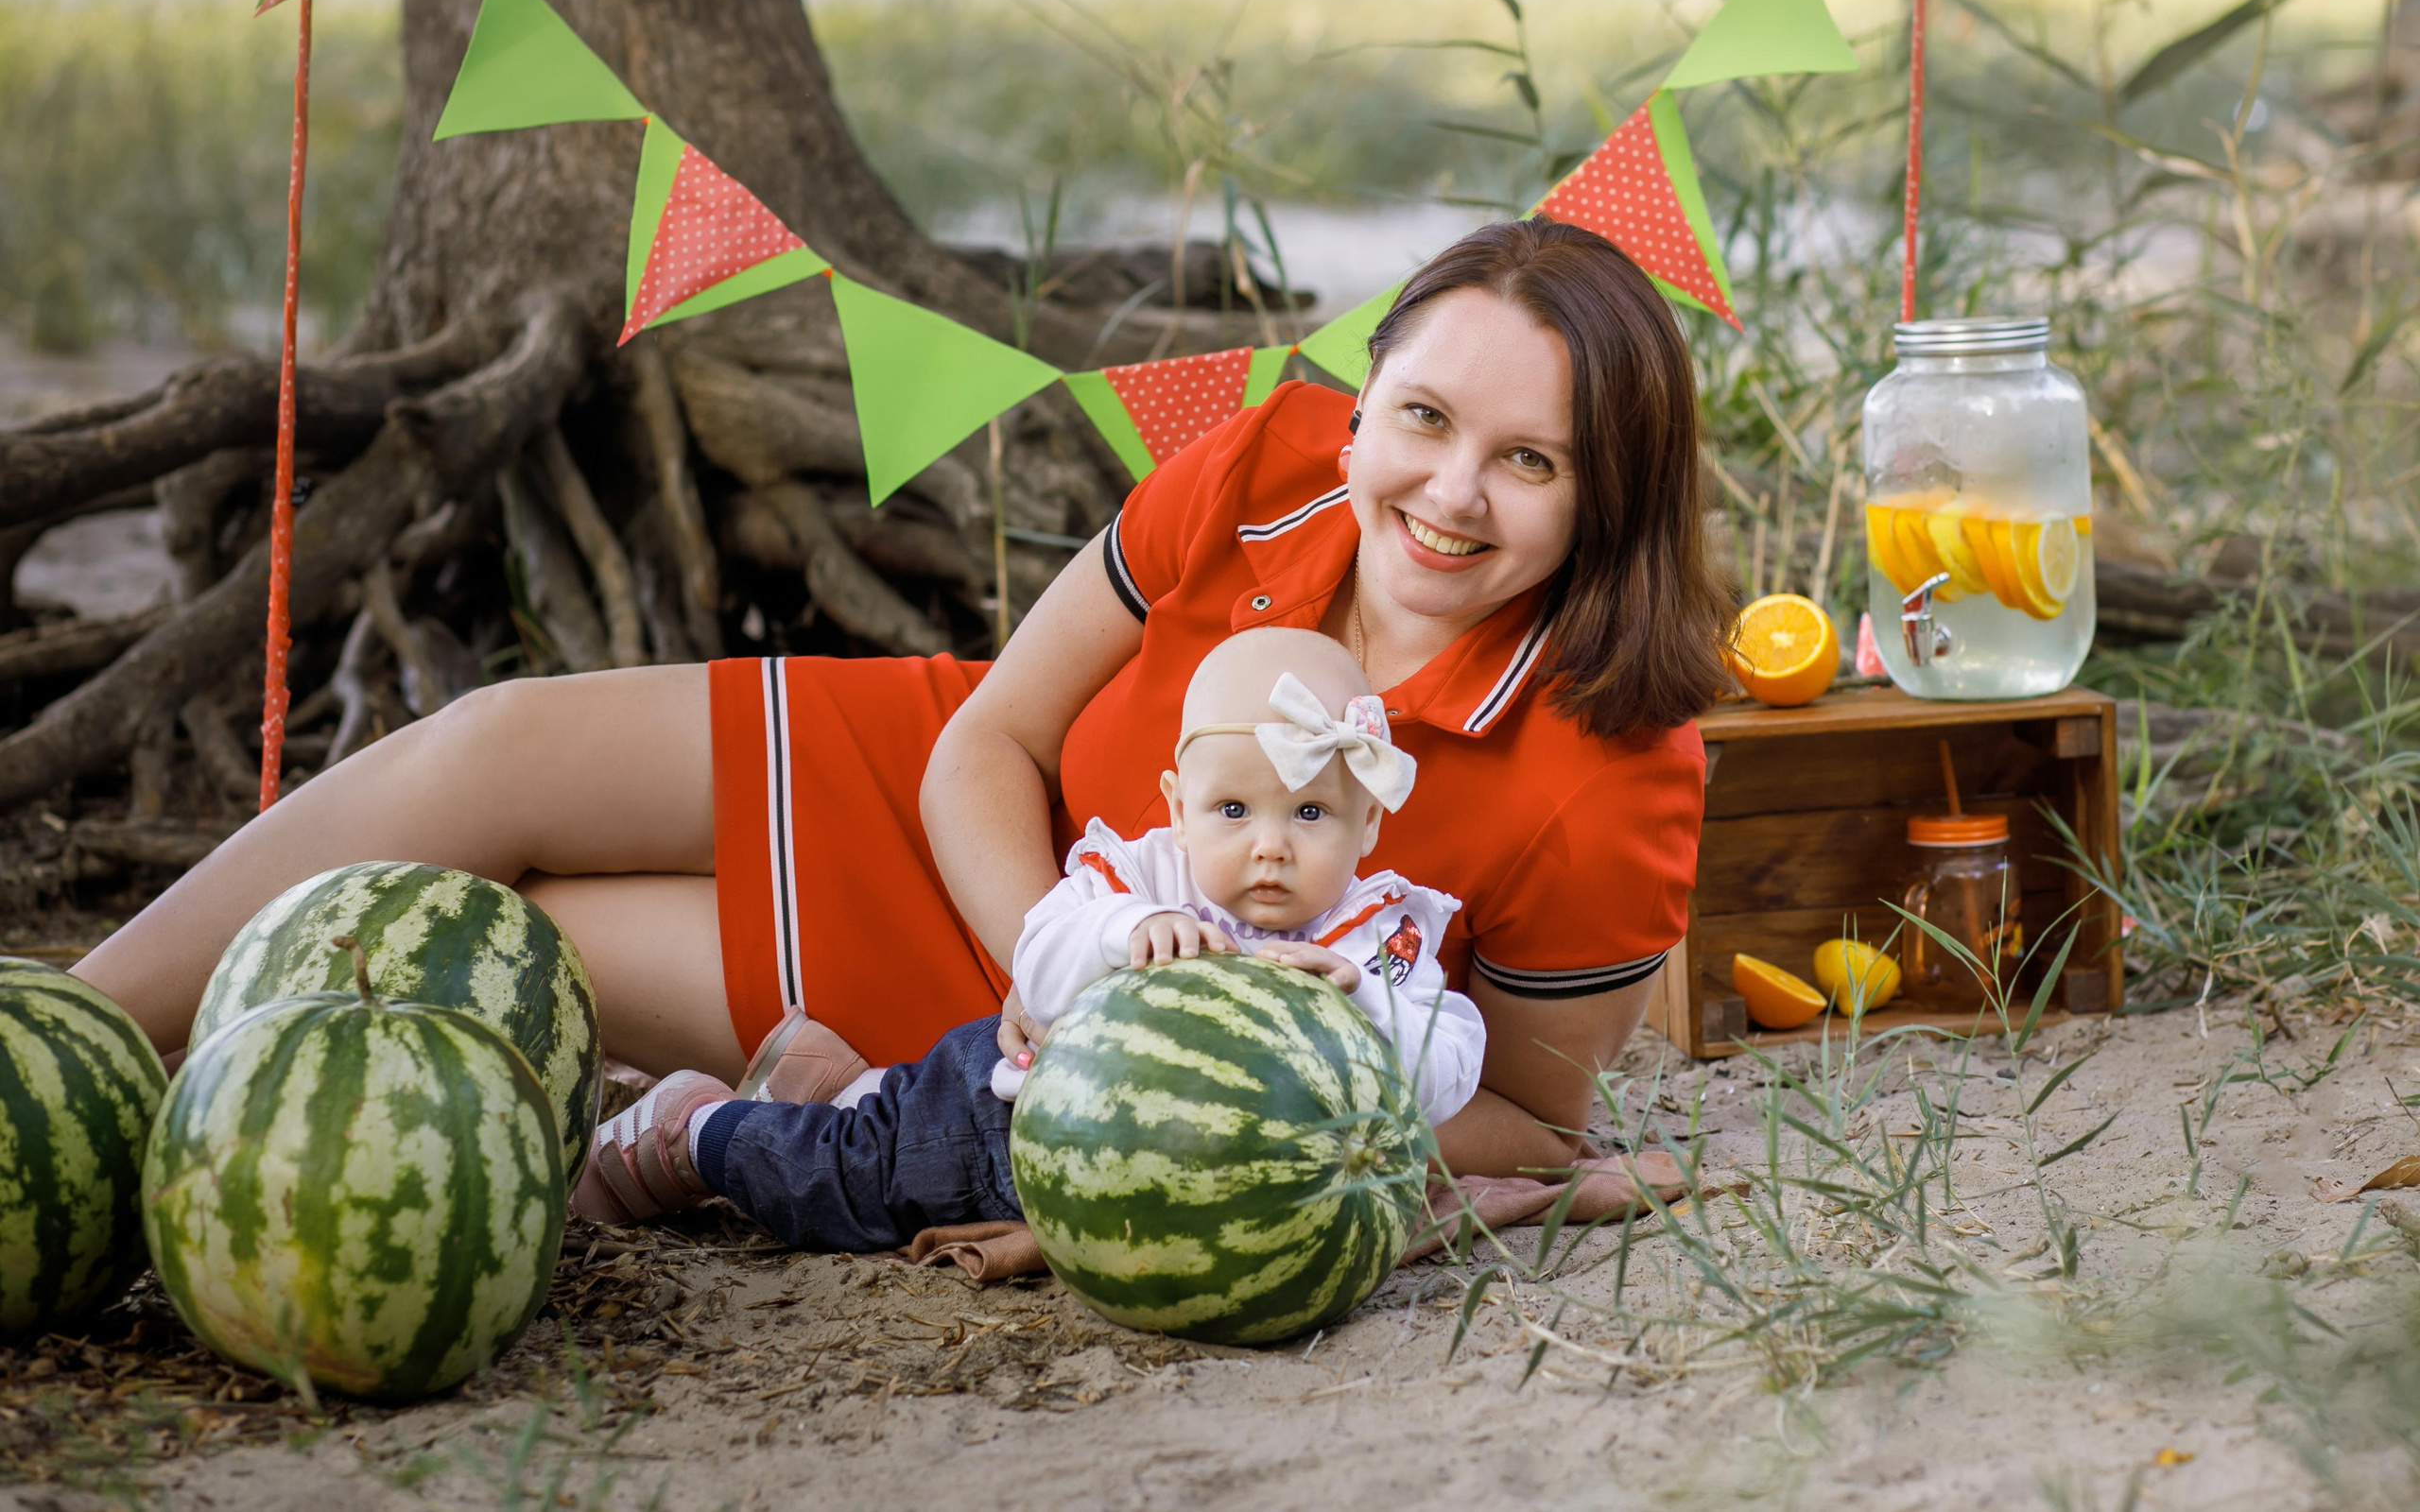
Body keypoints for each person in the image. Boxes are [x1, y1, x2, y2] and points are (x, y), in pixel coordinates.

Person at [70, 216, 1729, 1178]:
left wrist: (1138, 1125)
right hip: (987, 832)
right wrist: (1057, 957)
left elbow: (1520, 1114)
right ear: (1363, 412)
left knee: (520, 930)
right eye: (1425, 419)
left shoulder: (1620, 765)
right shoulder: (1274, 465)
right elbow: (988, 737)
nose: (1451, 492)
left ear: (1611, 496)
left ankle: (176, 1113)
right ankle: (59, 1037)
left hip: (1045, 1045)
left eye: (1533, 460)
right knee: (493, 748)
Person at [569, 627, 1484, 1245]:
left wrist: (1367, 1011)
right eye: (1233, 809)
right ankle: (694, 1134)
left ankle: (836, 1083)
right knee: (853, 1185)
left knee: (876, 1119)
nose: (1269, 846)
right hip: (1007, 1122)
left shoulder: (1379, 934)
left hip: (1182, 1194)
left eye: (1313, 812)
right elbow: (1040, 964)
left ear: (1368, 827)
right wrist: (1124, 931)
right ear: (1177, 805)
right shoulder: (1141, 876)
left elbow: (1452, 1057)